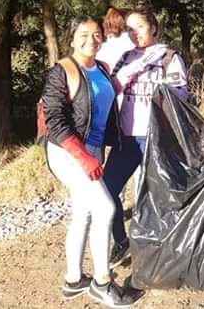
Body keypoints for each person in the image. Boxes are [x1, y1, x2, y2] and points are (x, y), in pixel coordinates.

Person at [40, 15, 133, 308]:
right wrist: (82, 157)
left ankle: (73, 280)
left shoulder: (102, 70)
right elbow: (55, 119)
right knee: (105, 207)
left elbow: (102, 101)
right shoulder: (62, 71)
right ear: (71, 39)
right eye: (84, 34)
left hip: (90, 150)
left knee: (83, 213)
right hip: (67, 152)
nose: (91, 39)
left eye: (96, 34)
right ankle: (102, 283)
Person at [103, 8, 189, 269]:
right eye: (129, 28)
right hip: (127, 139)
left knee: (154, 196)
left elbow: (181, 95)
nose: (135, 32)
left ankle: (160, 248)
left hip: (156, 139)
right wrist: (134, 68)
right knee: (107, 191)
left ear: (152, 26)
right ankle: (121, 240)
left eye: (139, 26)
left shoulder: (169, 57)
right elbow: (112, 88)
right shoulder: (126, 57)